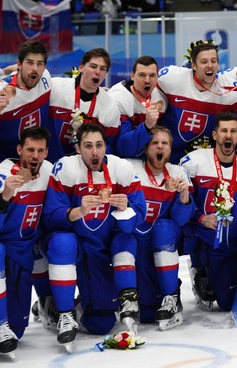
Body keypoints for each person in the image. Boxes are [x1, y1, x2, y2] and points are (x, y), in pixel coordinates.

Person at [41, 123, 146, 351]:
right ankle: (65, 313)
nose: (95, 152)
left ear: (105, 147)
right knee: (61, 242)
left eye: (99, 145)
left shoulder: (122, 168)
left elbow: (139, 217)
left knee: (100, 324)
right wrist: (76, 212)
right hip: (78, 247)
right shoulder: (65, 168)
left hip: (103, 251)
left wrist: (126, 207)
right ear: (78, 149)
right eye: (88, 146)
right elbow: (49, 218)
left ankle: (127, 298)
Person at [180, 112, 237, 311]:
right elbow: (181, 203)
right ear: (214, 135)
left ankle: (220, 271)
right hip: (203, 235)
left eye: (232, 131)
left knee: (228, 303)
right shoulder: (193, 162)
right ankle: (200, 265)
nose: (228, 136)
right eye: (223, 131)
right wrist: (201, 218)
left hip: (232, 239)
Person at [157, 39, 237, 163]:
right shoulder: (172, 78)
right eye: (204, 62)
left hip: (202, 161)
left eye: (213, 61)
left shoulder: (230, 90)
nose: (210, 65)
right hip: (165, 155)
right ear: (193, 65)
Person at [128, 126, 194, 330]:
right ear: (146, 148)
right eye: (155, 143)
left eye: (164, 143)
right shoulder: (131, 169)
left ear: (170, 149)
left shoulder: (178, 173)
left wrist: (184, 196)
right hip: (137, 240)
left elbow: (181, 220)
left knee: (163, 228)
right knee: (147, 313)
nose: (160, 147)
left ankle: (171, 296)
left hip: (162, 238)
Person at [0, 127, 52, 359]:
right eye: (30, 149)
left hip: (25, 250)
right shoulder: (3, 172)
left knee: (18, 331)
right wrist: (4, 197)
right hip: (3, 247)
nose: (35, 155)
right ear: (20, 149)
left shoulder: (50, 172)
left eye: (40, 151)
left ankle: (48, 303)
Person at [47, 48, 120, 162]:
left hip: (83, 168)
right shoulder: (56, 87)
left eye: (102, 69)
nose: (97, 71)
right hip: (47, 160)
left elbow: (110, 145)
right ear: (81, 67)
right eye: (93, 66)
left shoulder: (109, 106)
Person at [0, 40, 51, 161]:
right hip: (4, 163)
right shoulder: (3, 95)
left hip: (37, 161)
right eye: (29, 63)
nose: (35, 69)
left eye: (39, 64)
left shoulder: (45, 78)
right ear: (20, 64)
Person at [110, 56, 168, 159]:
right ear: (132, 76)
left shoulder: (162, 98)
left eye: (152, 75)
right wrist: (147, 126)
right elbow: (123, 148)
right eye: (142, 75)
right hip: (119, 161)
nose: (147, 80)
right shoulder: (118, 98)